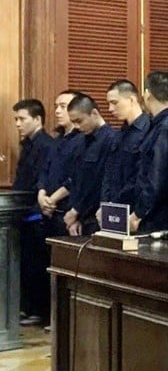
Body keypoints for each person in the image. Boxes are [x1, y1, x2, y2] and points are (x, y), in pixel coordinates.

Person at [130, 71, 168, 233]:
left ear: (147, 94)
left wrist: (138, 214)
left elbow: (158, 176)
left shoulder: (167, 127)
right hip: (160, 213)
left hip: (159, 217)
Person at [12, 98, 54, 327]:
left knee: (38, 266)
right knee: (27, 265)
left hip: (36, 212)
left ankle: (41, 310)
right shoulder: (27, 144)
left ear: (37, 119)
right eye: (16, 119)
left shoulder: (45, 144)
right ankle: (29, 308)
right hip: (24, 212)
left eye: (22, 119)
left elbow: (39, 179)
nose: (18, 124)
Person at [63, 93, 115, 236]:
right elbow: (76, 180)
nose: (77, 126)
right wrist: (75, 215)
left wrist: (77, 210)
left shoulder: (111, 140)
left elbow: (99, 181)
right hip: (79, 217)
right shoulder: (80, 141)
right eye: (73, 122)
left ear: (94, 113)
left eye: (80, 121)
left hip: (97, 216)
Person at [37, 90, 83, 237]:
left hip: (67, 211)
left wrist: (52, 199)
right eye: (56, 106)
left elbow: (76, 177)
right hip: (48, 210)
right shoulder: (57, 140)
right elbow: (45, 169)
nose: (57, 111)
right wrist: (41, 193)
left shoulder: (83, 140)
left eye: (63, 106)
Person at [101, 80, 150, 210]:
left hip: (135, 207)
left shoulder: (149, 130)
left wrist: (117, 201)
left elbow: (141, 175)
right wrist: (105, 203)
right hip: (114, 206)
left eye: (114, 103)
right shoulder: (120, 133)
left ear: (132, 100)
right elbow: (109, 171)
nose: (110, 109)